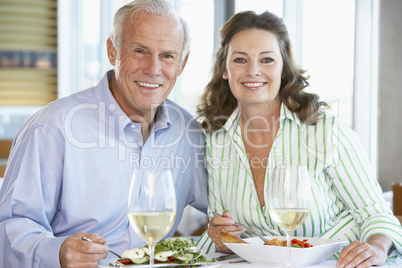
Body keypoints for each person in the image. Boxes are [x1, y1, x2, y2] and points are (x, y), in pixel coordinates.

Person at [0, 0, 208, 267]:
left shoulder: (187, 132)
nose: (153, 68)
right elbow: (9, 231)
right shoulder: (53, 128)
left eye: (167, 55)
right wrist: (58, 252)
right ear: (113, 50)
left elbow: (228, 204)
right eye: (140, 51)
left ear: (182, 62)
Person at [196, 10, 402, 267]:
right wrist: (219, 238)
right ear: (224, 69)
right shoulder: (215, 142)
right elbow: (226, 238)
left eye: (267, 59)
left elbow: (377, 216)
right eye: (240, 59)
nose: (253, 71)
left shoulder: (327, 131)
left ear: (284, 69)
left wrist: (375, 248)